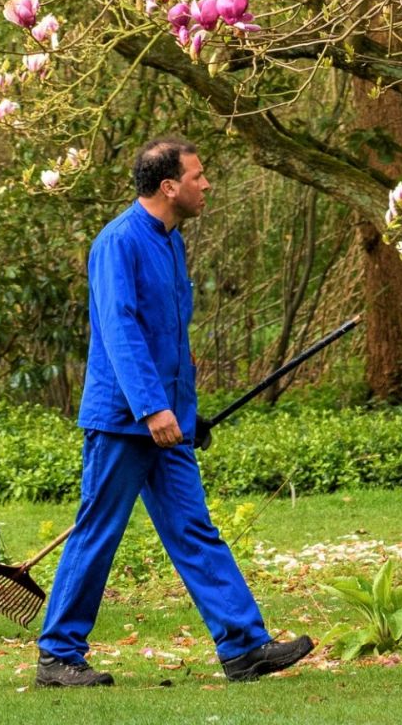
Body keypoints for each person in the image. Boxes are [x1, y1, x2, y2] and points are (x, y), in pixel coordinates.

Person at [36, 137, 313, 687]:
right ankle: (58, 655)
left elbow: (170, 342)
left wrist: (187, 416)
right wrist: (153, 409)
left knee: (195, 531)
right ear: (169, 186)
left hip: (167, 424)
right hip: (123, 421)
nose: (206, 184)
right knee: (98, 532)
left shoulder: (171, 242)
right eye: (198, 175)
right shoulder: (118, 243)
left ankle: (243, 647)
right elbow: (121, 332)